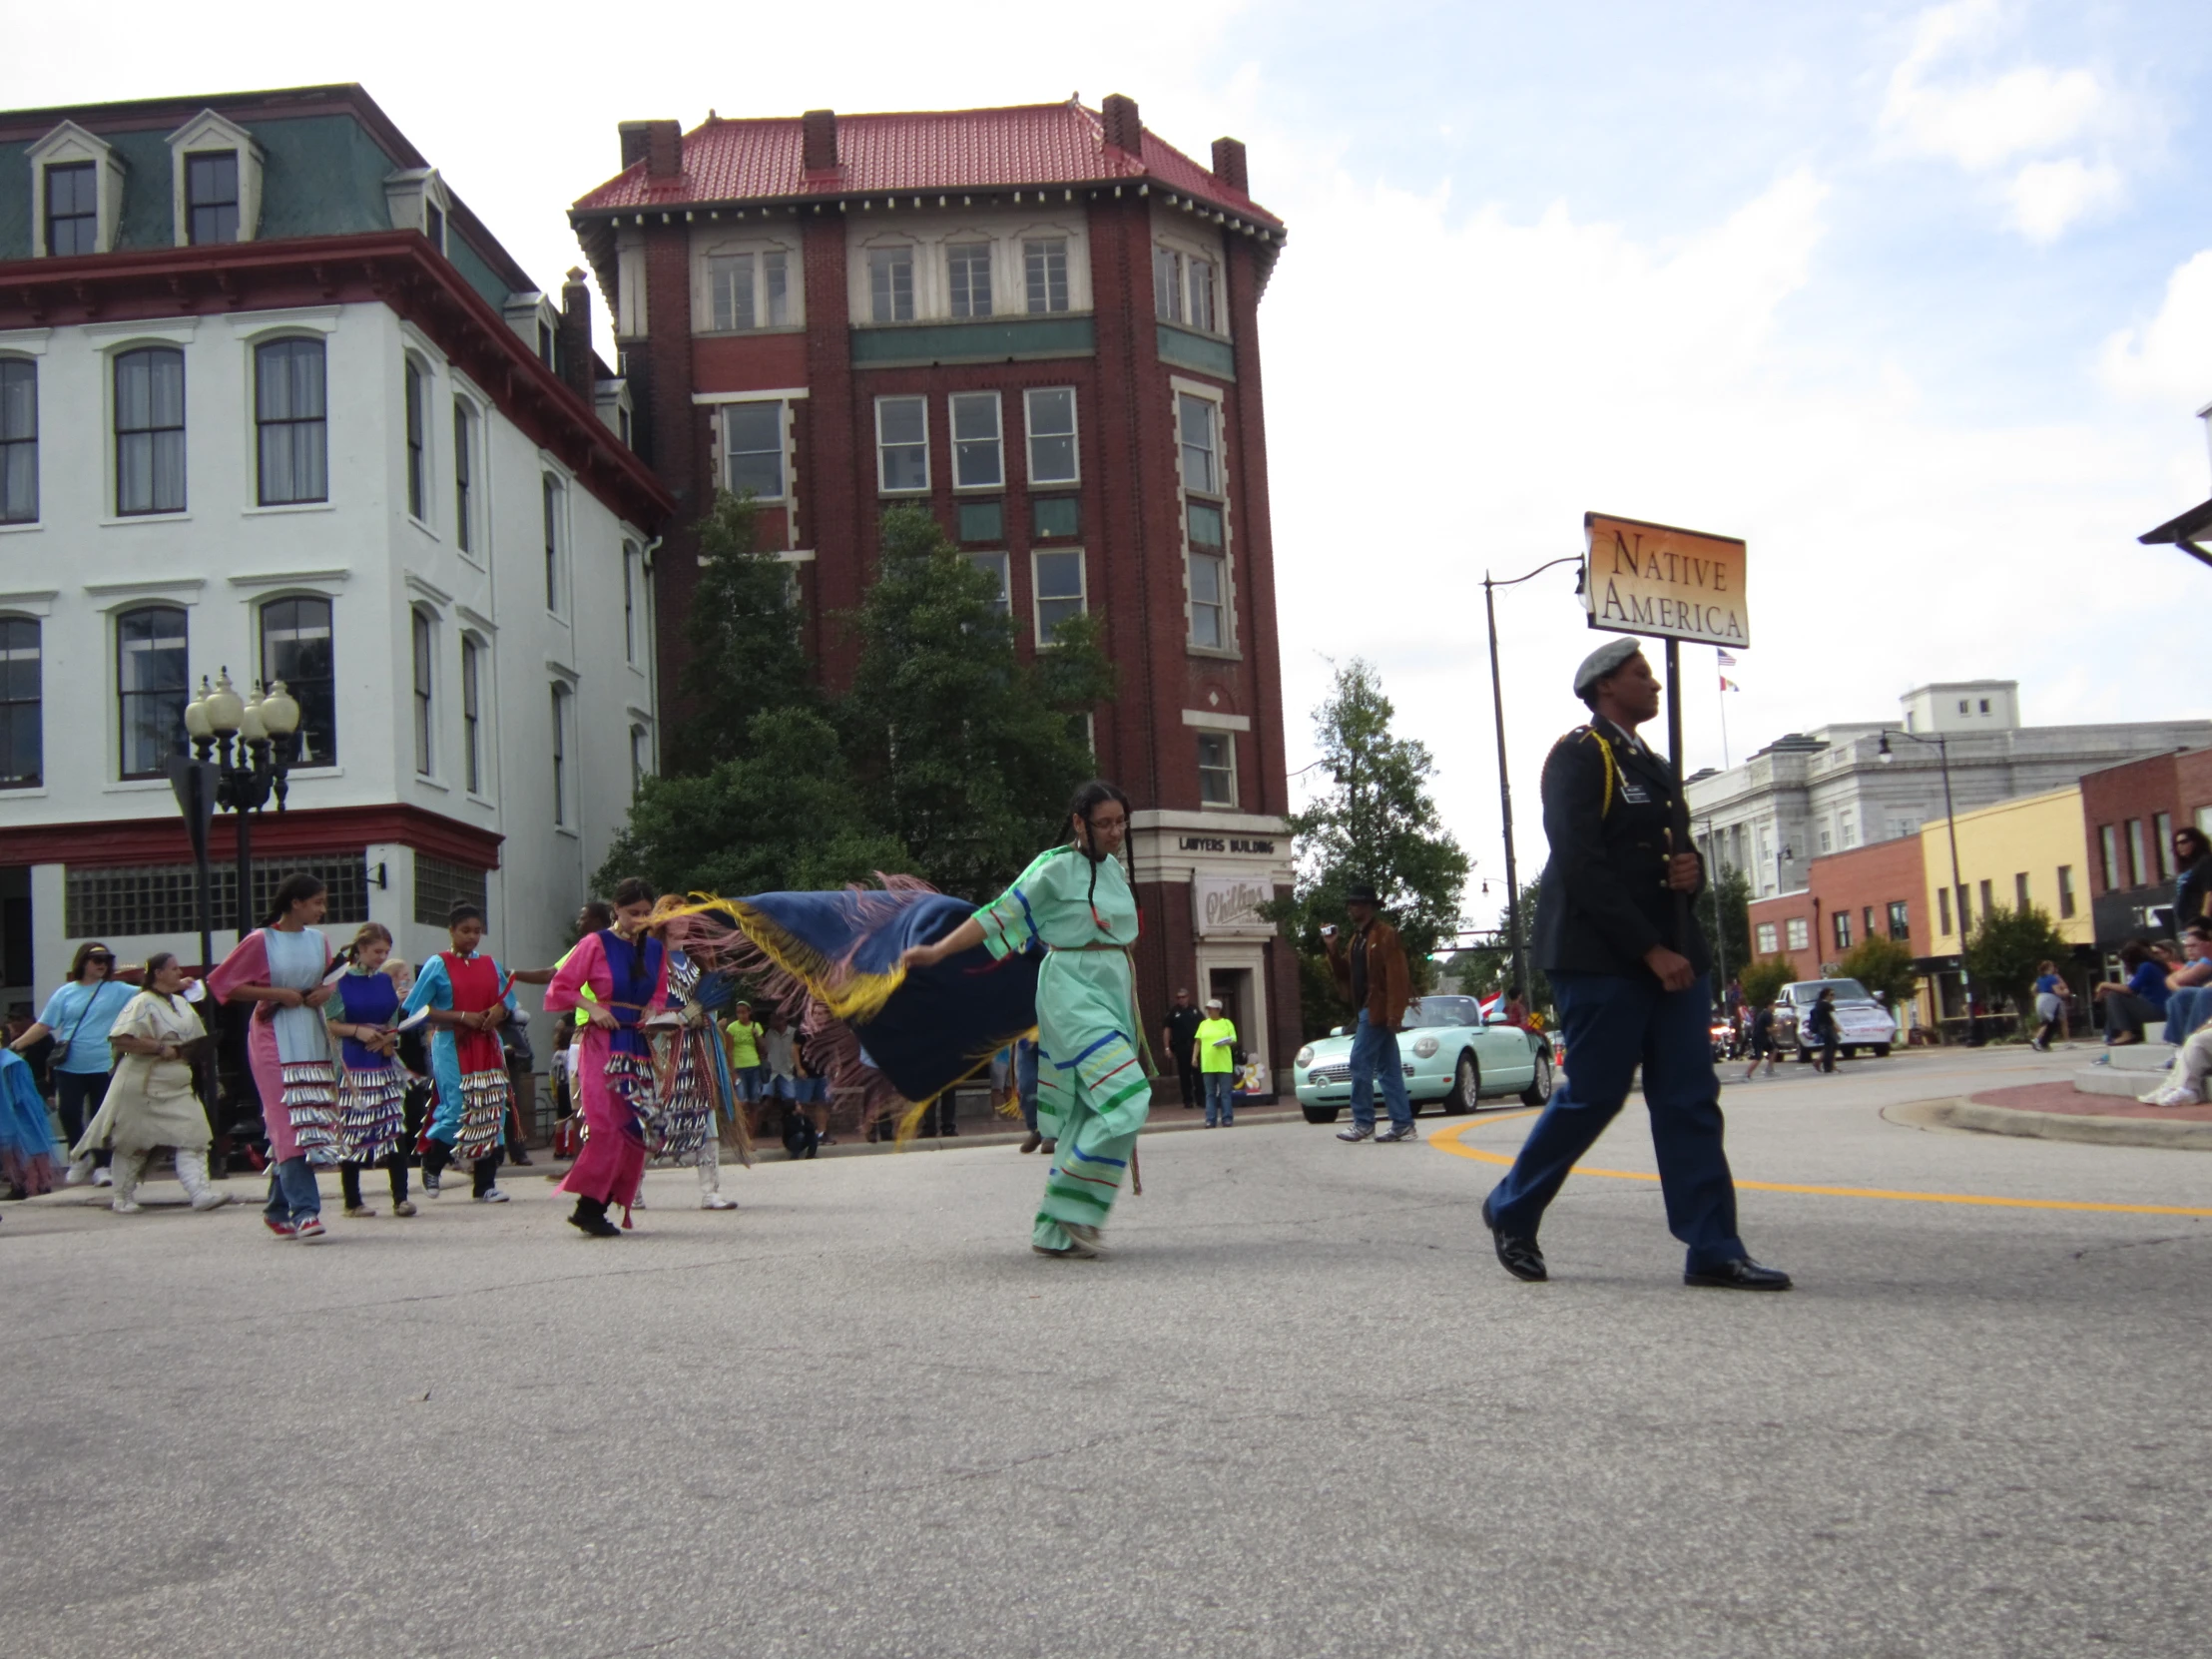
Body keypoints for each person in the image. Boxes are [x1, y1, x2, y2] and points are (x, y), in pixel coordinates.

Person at [1478, 638, 1789, 1292]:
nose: (1653, 683)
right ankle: (1512, 1206)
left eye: (1651, 671)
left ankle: (1712, 1245)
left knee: (1689, 1101)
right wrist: (1649, 950)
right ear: (1603, 688)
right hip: (1602, 959)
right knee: (1595, 1094)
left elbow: (1671, 860)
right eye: (1639, 674)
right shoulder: (1579, 756)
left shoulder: (1654, 764)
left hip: (1674, 955)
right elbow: (1581, 863)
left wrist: (1691, 874)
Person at [897, 780, 1149, 1260]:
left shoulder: (1115, 871)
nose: (1116, 832)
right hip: (1071, 990)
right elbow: (998, 915)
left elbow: (1120, 930)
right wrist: (939, 950)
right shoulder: (1052, 870)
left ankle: (1054, 1232)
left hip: (1114, 989)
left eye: (1121, 821)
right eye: (1105, 823)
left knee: (1090, 1109)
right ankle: (1074, 1207)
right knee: (1128, 1097)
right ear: (1079, 823)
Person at [208, 873, 339, 1242]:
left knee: (308, 1115)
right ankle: (306, 1211)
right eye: (316, 902)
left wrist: (323, 992)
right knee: (287, 1118)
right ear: (295, 902)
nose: (322, 910)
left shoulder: (319, 940)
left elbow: (331, 979)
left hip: (310, 1033)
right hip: (273, 1036)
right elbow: (223, 983)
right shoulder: (260, 939)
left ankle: (277, 1207)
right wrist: (278, 992)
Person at [546, 878, 668, 1237]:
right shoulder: (595, 944)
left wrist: (655, 1014)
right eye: (634, 913)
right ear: (616, 909)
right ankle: (589, 1206)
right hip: (602, 1043)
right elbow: (561, 987)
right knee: (605, 1125)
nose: (642, 919)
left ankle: (593, 1207)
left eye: (648, 914)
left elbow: (659, 992)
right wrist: (592, 1008)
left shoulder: (655, 950)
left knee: (633, 1126)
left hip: (637, 1044)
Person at [70, 953, 231, 1215]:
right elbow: (120, 1039)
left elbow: (198, 1041)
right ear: (158, 973)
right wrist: (158, 1047)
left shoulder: (180, 1003)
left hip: (178, 1084)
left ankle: (201, 1193)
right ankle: (122, 1197)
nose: (179, 973)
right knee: (134, 1142)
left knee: (195, 1136)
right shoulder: (141, 1002)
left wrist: (203, 1062)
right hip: (142, 1084)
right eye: (174, 968)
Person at [400, 901, 518, 1203]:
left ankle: (485, 1183)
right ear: (451, 931)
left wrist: (498, 1012)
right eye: (465, 931)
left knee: (491, 1106)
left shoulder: (490, 964)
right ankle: (433, 1162)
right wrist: (460, 1016)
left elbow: (508, 1001)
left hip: (486, 1042)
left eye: (477, 931)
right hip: (451, 1041)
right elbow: (414, 1009)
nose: (472, 937)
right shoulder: (437, 964)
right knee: (458, 1105)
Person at [12, 940, 135, 1187]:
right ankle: (80, 1155)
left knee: (102, 1116)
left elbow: (149, 995)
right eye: (97, 960)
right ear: (83, 963)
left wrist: (182, 985)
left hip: (104, 1064)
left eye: (106, 961)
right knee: (69, 1112)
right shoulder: (66, 993)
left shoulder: (118, 990)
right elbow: (44, 1025)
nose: (102, 965)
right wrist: (15, 1047)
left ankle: (102, 1165)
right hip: (69, 1065)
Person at [324, 922, 416, 1219]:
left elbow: (392, 1019)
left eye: (386, 952)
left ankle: (401, 1198)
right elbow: (328, 1023)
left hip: (383, 1061)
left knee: (393, 1127)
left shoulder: (383, 982)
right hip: (352, 1061)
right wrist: (358, 1031)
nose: (381, 957)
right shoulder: (339, 982)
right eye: (377, 951)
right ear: (361, 949)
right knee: (352, 1128)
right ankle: (353, 1200)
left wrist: (390, 1037)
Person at [1323, 881, 1415, 1144]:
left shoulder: (1386, 934)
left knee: (1359, 1062)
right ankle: (1403, 1124)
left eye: (1357, 903)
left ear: (1370, 907)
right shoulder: (1356, 940)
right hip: (1367, 1007)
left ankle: (1363, 1122)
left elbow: (1399, 976)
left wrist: (1395, 1014)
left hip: (1376, 1010)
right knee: (1389, 1069)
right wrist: (1331, 947)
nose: (1352, 908)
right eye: (1350, 904)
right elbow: (1345, 975)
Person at [0, 1040, 61, 1200]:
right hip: (18, 1112)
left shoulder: (10, 1062)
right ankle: (27, 1184)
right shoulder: (11, 1060)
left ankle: (32, 1184)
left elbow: (20, 1095)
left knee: (23, 1147)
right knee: (18, 1148)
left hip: (18, 1112)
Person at [2091, 940, 2167, 1048]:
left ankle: (2126, 1033)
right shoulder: (2152, 966)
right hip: (2156, 1010)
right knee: (2114, 999)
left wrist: (2105, 984)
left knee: (2114, 995)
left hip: (2157, 1012)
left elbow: (2130, 989)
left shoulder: (2146, 967)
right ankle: (2111, 1035)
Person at [2161, 924, 2212, 1043]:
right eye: (2186, 947)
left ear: (2207, 944)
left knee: (2203, 993)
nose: (2189, 950)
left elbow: (2183, 978)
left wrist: (2177, 984)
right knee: (2179, 996)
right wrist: (2178, 989)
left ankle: (2189, 1043)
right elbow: (2169, 979)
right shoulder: (2194, 962)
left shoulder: (2207, 961)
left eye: (2193, 946)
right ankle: (2180, 1045)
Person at [1193, 995, 1238, 1126]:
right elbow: (1198, 1042)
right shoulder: (1203, 1024)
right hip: (1208, 1064)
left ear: (1218, 1010)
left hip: (1223, 1063)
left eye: (1211, 1009)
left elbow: (1233, 1039)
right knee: (1210, 1093)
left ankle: (1227, 1118)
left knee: (1225, 1093)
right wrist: (1194, 1057)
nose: (1209, 1012)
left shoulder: (1226, 1023)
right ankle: (1210, 1119)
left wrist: (1225, 1041)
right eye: (1208, 1009)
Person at [1162, 989, 1204, 1112]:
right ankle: (1188, 1100)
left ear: (1188, 997)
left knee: (1198, 1074)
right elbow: (1167, 1030)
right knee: (1184, 1075)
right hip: (1181, 1047)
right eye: (1178, 997)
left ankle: (1200, 1099)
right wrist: (1167, 1047)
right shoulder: (1173, 1012)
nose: (1181, 999)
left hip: (1195, 1047)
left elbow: (1204, 1026)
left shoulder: (1195, 1010)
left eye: (1183, 997)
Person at [2173, 826, 2212, 934]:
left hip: (2200, 922)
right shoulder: (2188, 866)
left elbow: (2209, 893)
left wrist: (2204, 921)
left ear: (2195, 842)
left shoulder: (2206, 861)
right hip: (2187, 921)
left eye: (2184, 842)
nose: (2180, 846)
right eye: (2177, 844)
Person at [2029, 960, 2072, 1051]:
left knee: (2045, 1021)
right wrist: (2065, 993)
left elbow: (2033, 989)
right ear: (2049, 968)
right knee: (2048, 1021)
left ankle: (2040, 1042)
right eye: (2052, 966)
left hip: (2040, 998)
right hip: (2050, 1000)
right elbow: (2057, 991)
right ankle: (2036, 1040)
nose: (2053, 968)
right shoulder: (2053, 978)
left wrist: (2037, 996)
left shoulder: (2040, 978)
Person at [1806, 986, 1841, 1073]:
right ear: (1826, 995)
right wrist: (1837, 1026)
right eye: (1831, 995)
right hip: (1827, 1027)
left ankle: (1820, 1062)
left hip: (1823, 1028)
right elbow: (1833, 1017)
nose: (1833, 997)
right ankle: (1828, 1067)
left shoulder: (1818, 1004)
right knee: (1830, 1047)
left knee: (1831, 1046)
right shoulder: (1826, 1005)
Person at [1741, 1001, 1779, 1080]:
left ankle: (1769, 1070)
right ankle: (1746, 1075)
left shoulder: (1764, 1013)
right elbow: (1768, 1029)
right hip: (1759, 1038)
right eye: (1774, 1005)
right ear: (1769, 1006)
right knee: (1758, 1057)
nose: (1775, 1007)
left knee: (1773, 1050)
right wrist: (1778, 1028)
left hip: (1763, 1037)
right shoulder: (1767, 1015)